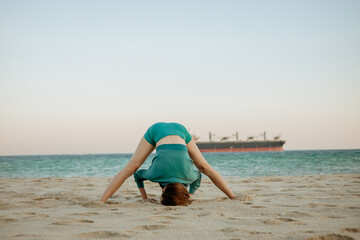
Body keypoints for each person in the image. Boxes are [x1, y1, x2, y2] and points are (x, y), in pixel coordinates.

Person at [100, 122, 235, 205]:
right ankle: (232, 196)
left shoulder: (189, 176)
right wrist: (144, 197)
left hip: (179, 131)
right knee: (132, 168)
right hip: (158, 131)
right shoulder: (154, 175)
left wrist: (190, 194)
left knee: (205, 168)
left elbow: (198, 176)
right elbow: (138, 175)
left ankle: (102, 201)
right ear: (164, 190)